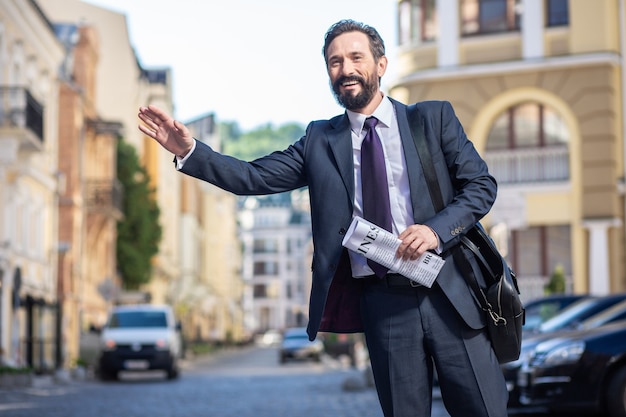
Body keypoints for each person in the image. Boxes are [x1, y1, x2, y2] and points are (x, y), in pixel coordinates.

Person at [138, 19, 508, 417]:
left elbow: (481, 186)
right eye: (335, 62)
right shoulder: (319, 140)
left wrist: (435, 231)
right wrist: (191, 151)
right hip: (384, 304)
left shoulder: (430, 120)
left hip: (449, 293)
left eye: (355, 57)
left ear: (381, 64)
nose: (345, 69)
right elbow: (253, 177)